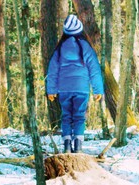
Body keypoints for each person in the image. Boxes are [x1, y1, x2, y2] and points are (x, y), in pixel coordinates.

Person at [46, 14, 104, 154]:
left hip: (64, 89)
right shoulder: (85, 47)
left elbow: (52, 71)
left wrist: (51, 90)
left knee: (66, 116)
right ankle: (77, 146)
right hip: (81, 88)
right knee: (79, 116)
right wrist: (98, 90)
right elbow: (94, 70)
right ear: (80, 30)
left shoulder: (59, 49)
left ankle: (66, 146)